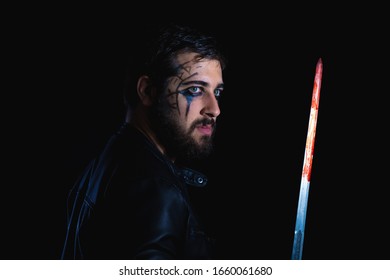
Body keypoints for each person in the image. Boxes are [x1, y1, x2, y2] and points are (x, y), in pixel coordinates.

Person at [60, 23, 227, 260]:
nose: (215, 109)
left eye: (216, 92)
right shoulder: (156, 191)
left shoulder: (108, 159)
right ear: (148, 91)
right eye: (195, 90)